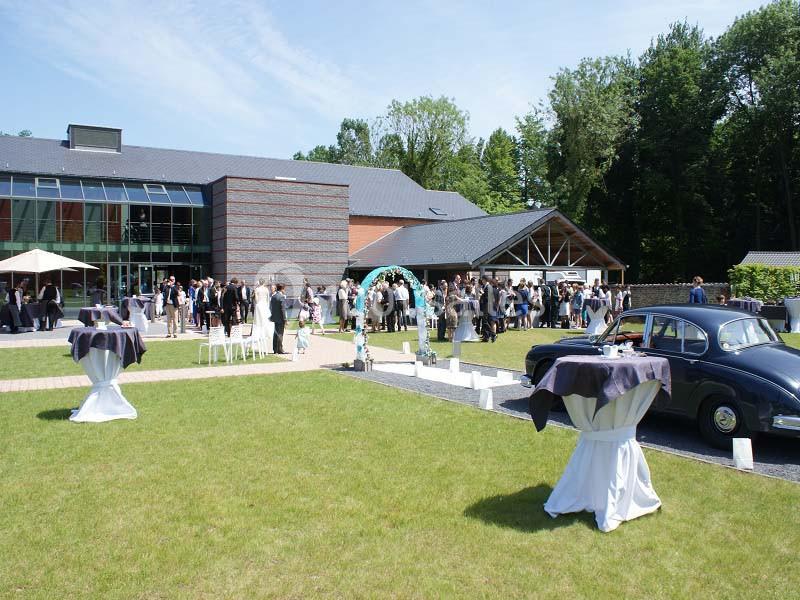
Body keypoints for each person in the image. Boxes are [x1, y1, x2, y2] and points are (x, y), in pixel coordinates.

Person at [270, 283, 288, 354]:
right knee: (280, 334)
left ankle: (275, 349)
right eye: (284, 289)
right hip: (280, 318)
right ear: (282, 289)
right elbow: (283, 309)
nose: (284, 290)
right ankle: (280, 350)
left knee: (275, 334)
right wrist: (285, 319)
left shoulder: (273, 296)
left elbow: (271, 308)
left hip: (275, 317)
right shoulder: (281, 297)